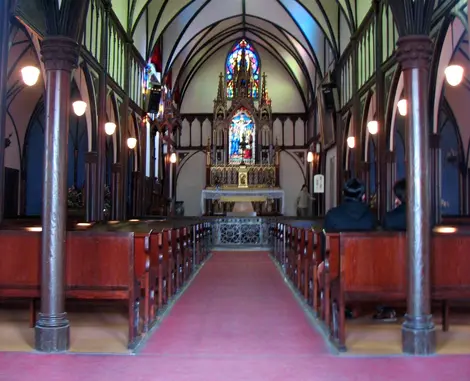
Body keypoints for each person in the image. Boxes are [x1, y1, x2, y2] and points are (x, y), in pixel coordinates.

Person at [372, 178, 407, 322]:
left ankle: (387, 308)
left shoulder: (390, 217)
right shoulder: (425, 215)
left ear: (398, 197)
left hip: (393, 265)